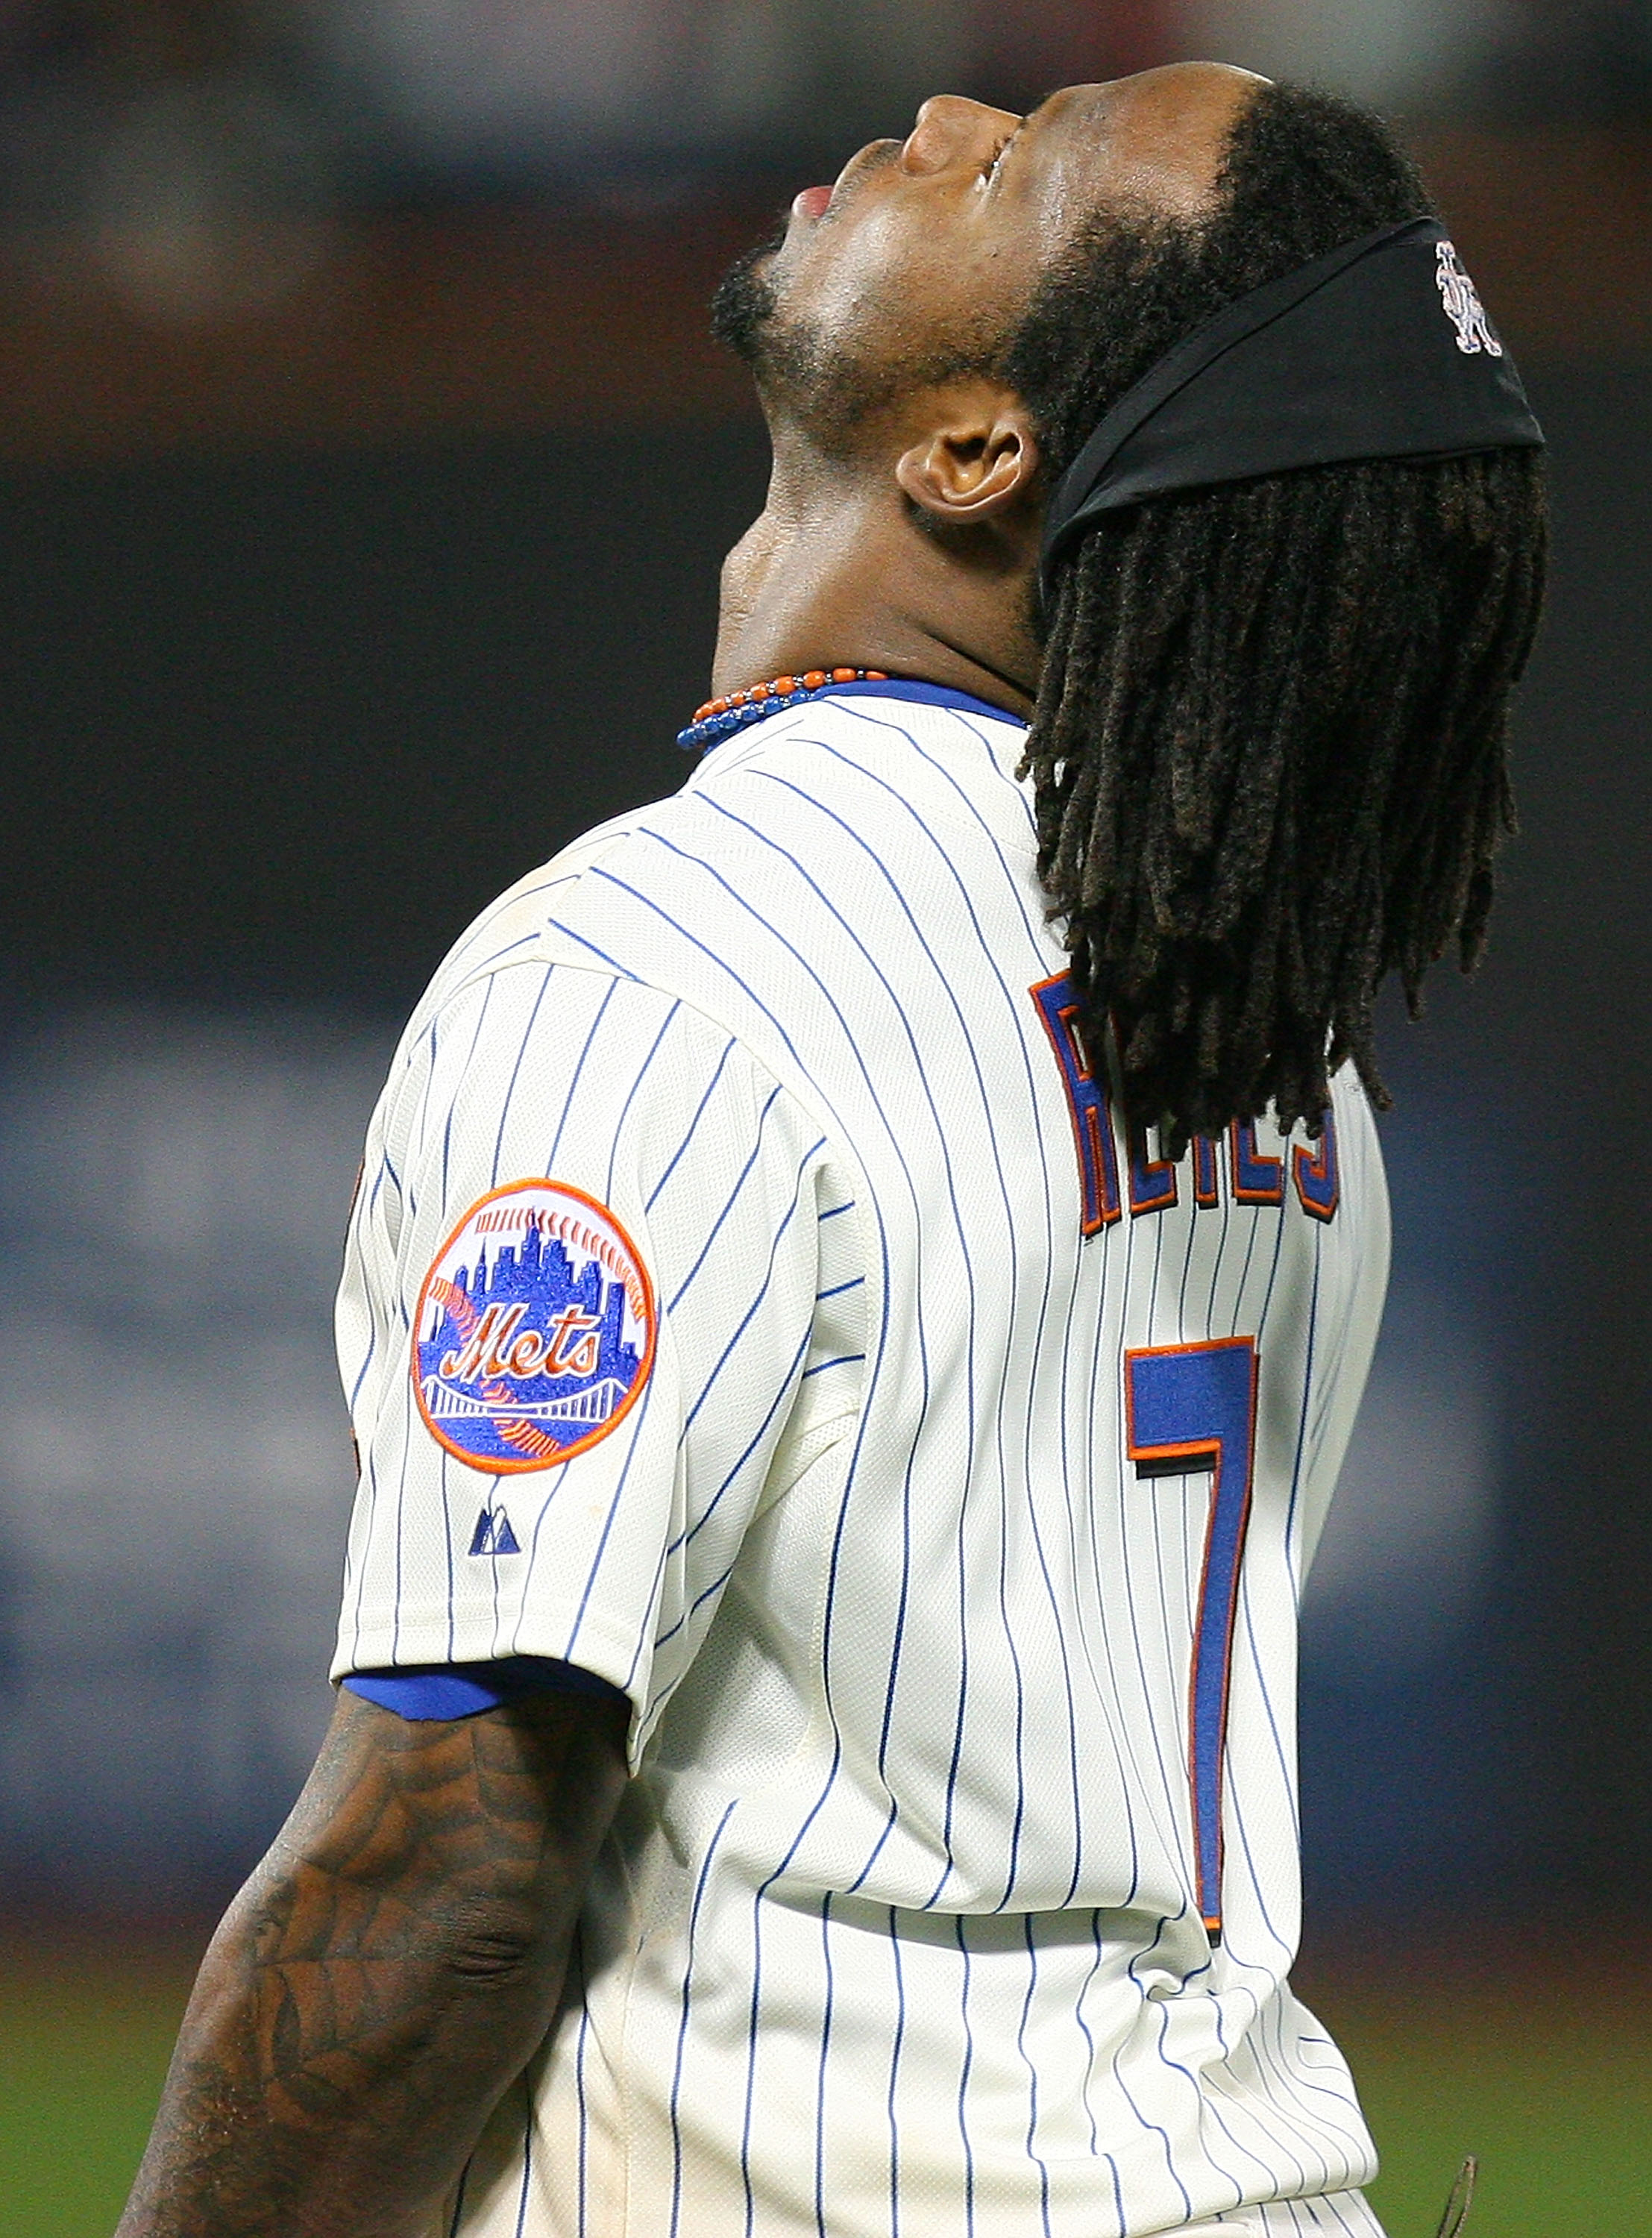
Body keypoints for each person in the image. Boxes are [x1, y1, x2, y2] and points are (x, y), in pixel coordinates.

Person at [116, 63, 1546, 2238]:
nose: (952, 110)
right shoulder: (1267, 1050)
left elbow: (439, 1879)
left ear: (979, 449)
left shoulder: (658, 971)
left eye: (1026, 167)